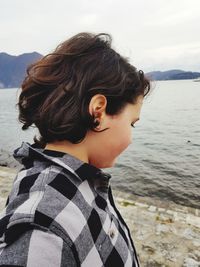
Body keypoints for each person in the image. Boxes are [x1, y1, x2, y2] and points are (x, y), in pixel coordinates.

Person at [0, 32, 151, 266]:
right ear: (98, 110)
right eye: (132, 123)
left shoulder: (81, 177)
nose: (131, 137)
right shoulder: (42, 227)